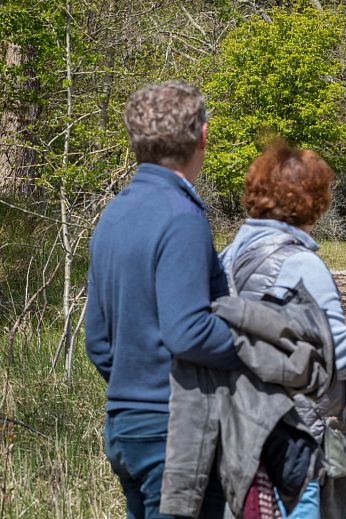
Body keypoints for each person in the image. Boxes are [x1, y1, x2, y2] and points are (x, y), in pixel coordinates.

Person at [85, 81, 237, 519]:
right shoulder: (182, 216)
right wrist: (255, 348)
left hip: (125, 429)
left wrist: (136, 389)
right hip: (174, 433)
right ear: (202, 136)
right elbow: (187, 330)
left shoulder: (113, 214)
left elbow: (98, 343)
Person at [220, 138, 346, 519]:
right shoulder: (302, 264)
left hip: (244, 429)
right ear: (312, 201)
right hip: (300, 434)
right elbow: (337, 352)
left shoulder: (228, 255)